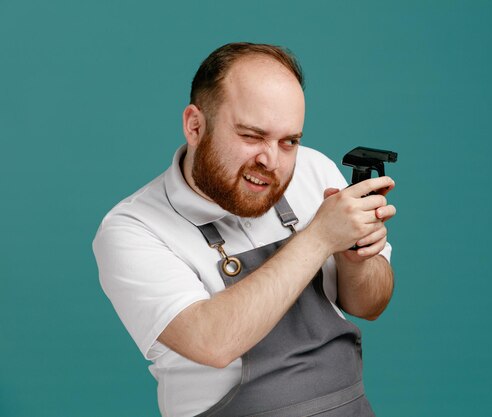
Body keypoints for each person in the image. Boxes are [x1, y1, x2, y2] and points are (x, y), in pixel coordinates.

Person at [93, 42, 396, 417]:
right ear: (195, 125)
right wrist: (319, 238)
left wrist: (357, 257)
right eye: (252, 136)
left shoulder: (314, 170)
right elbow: (212, 342)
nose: (270, 160)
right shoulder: (133, 229)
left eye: (289, 141)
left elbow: (371, 305)